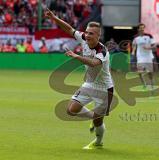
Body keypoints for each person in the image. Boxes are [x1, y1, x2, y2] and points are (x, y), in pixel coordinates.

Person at [45, 8, 114, 149]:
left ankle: (98, 143)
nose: (87, 35)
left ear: (98, 36)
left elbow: (94, 63)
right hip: (89, 84)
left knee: (98, 122)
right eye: (87, 32)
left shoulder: (102, 51)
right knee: (70, 110)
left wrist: (77, 57)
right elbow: (69, 29)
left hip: (104, 89)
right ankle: (93, 117)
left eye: (91, 34)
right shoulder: (83, 38)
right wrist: (54, 18)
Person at [132, 23, 156, 91]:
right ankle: (144, 85)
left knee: (150, 73)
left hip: (148, 56)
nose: (142, 29)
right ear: (138, 29)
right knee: (139, 72)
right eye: (140, 28)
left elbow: (154, 46)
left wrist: (148, 48)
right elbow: (134, 45)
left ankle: (152, 86)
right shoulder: (135, 37)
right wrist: (133, 51)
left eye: (143, 28)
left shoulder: (149, 36)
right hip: (140, 57)